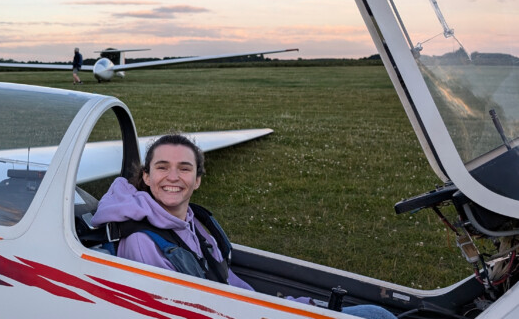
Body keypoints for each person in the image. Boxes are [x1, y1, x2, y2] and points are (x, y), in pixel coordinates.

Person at [90, 134, 396, 319]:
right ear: (146, 177)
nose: (173, 177)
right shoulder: (142, 242)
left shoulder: (196, 225)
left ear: (197, 180)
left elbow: (232, 285)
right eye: (162, 167)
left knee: (379, 313)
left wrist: (296, 306)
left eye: (184, 168)